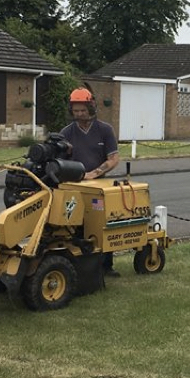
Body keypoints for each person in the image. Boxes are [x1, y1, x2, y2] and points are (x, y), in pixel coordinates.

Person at [60, 87, 122, 276]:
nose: (79, 114)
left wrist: (94, 173)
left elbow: (113, 158)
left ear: (92, 106)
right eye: (76, 111)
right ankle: (81, 266)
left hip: (98, 186)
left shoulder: (104, 130)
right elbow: (60, 161)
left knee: (103, 224)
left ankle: (106, 266)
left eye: (83, 110)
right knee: (75, 226)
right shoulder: (66, 133)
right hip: (75, 187)